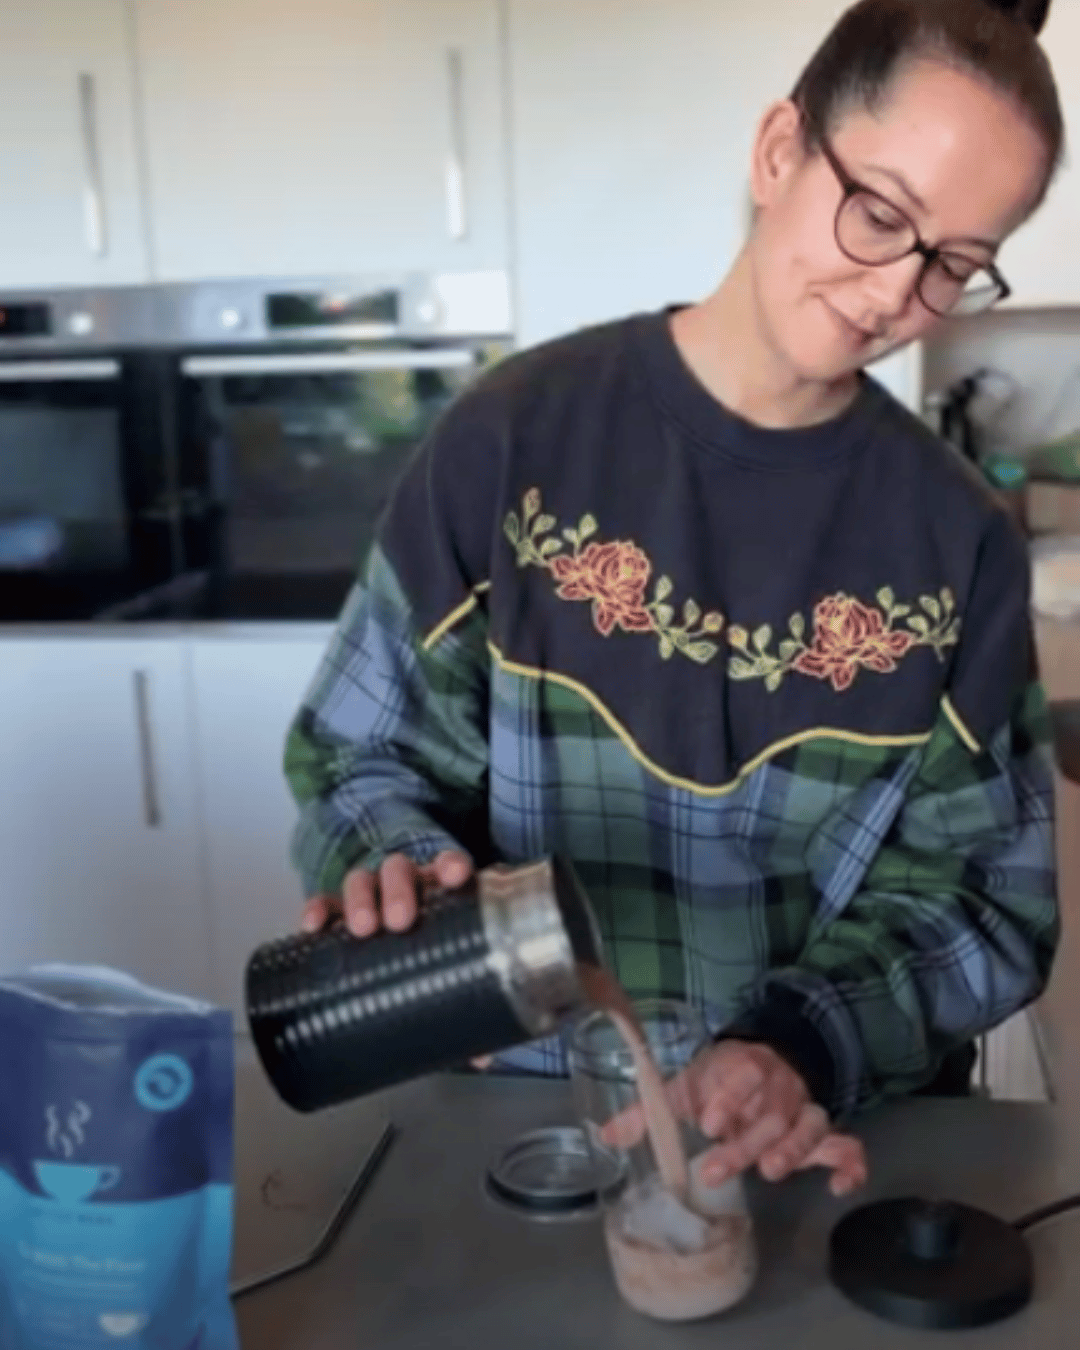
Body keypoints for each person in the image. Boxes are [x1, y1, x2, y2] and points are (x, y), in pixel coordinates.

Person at [285, 0, 1062, 1199]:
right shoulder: (512, 443)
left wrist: (798, 1046)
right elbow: (359, 754)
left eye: (953, 261)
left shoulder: (956, 544)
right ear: (779, 151)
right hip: (531, 1134)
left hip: (818, 1147)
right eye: (882, 213)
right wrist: (393, 864)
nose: (894, 293)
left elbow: (984, 899)